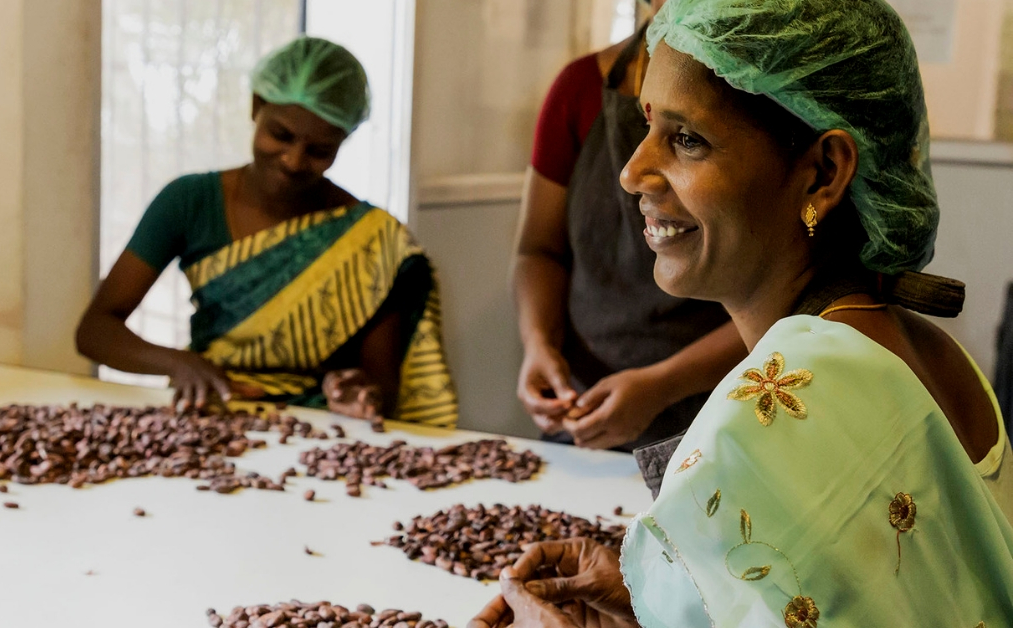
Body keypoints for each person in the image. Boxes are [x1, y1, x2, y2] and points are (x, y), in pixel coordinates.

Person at [472, 0, 1013, 625]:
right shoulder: (923, 347)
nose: (631, 172)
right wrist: (662, 603)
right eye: (646, 124)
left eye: (686, 140)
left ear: (824, 173)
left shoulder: (766, 419)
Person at [76, 37, 458, 427]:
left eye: (319, 150)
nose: (293, 161)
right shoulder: (188, 202)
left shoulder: (373, 239)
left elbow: (384, 387)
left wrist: (360, 393)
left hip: (323, 432)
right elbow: (95, 331)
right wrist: (179, 362)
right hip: (212, 414)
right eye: (281, 135)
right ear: (256, 105)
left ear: (343, 141)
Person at [514, 0, 746, 464]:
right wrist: (539, 345)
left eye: (687, 138)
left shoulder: (756, 91)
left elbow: (795, 287)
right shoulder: (579, 89)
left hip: (724, 417)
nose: (633, 175)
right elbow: (539, 250)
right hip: (584, 410)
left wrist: (664, 384)